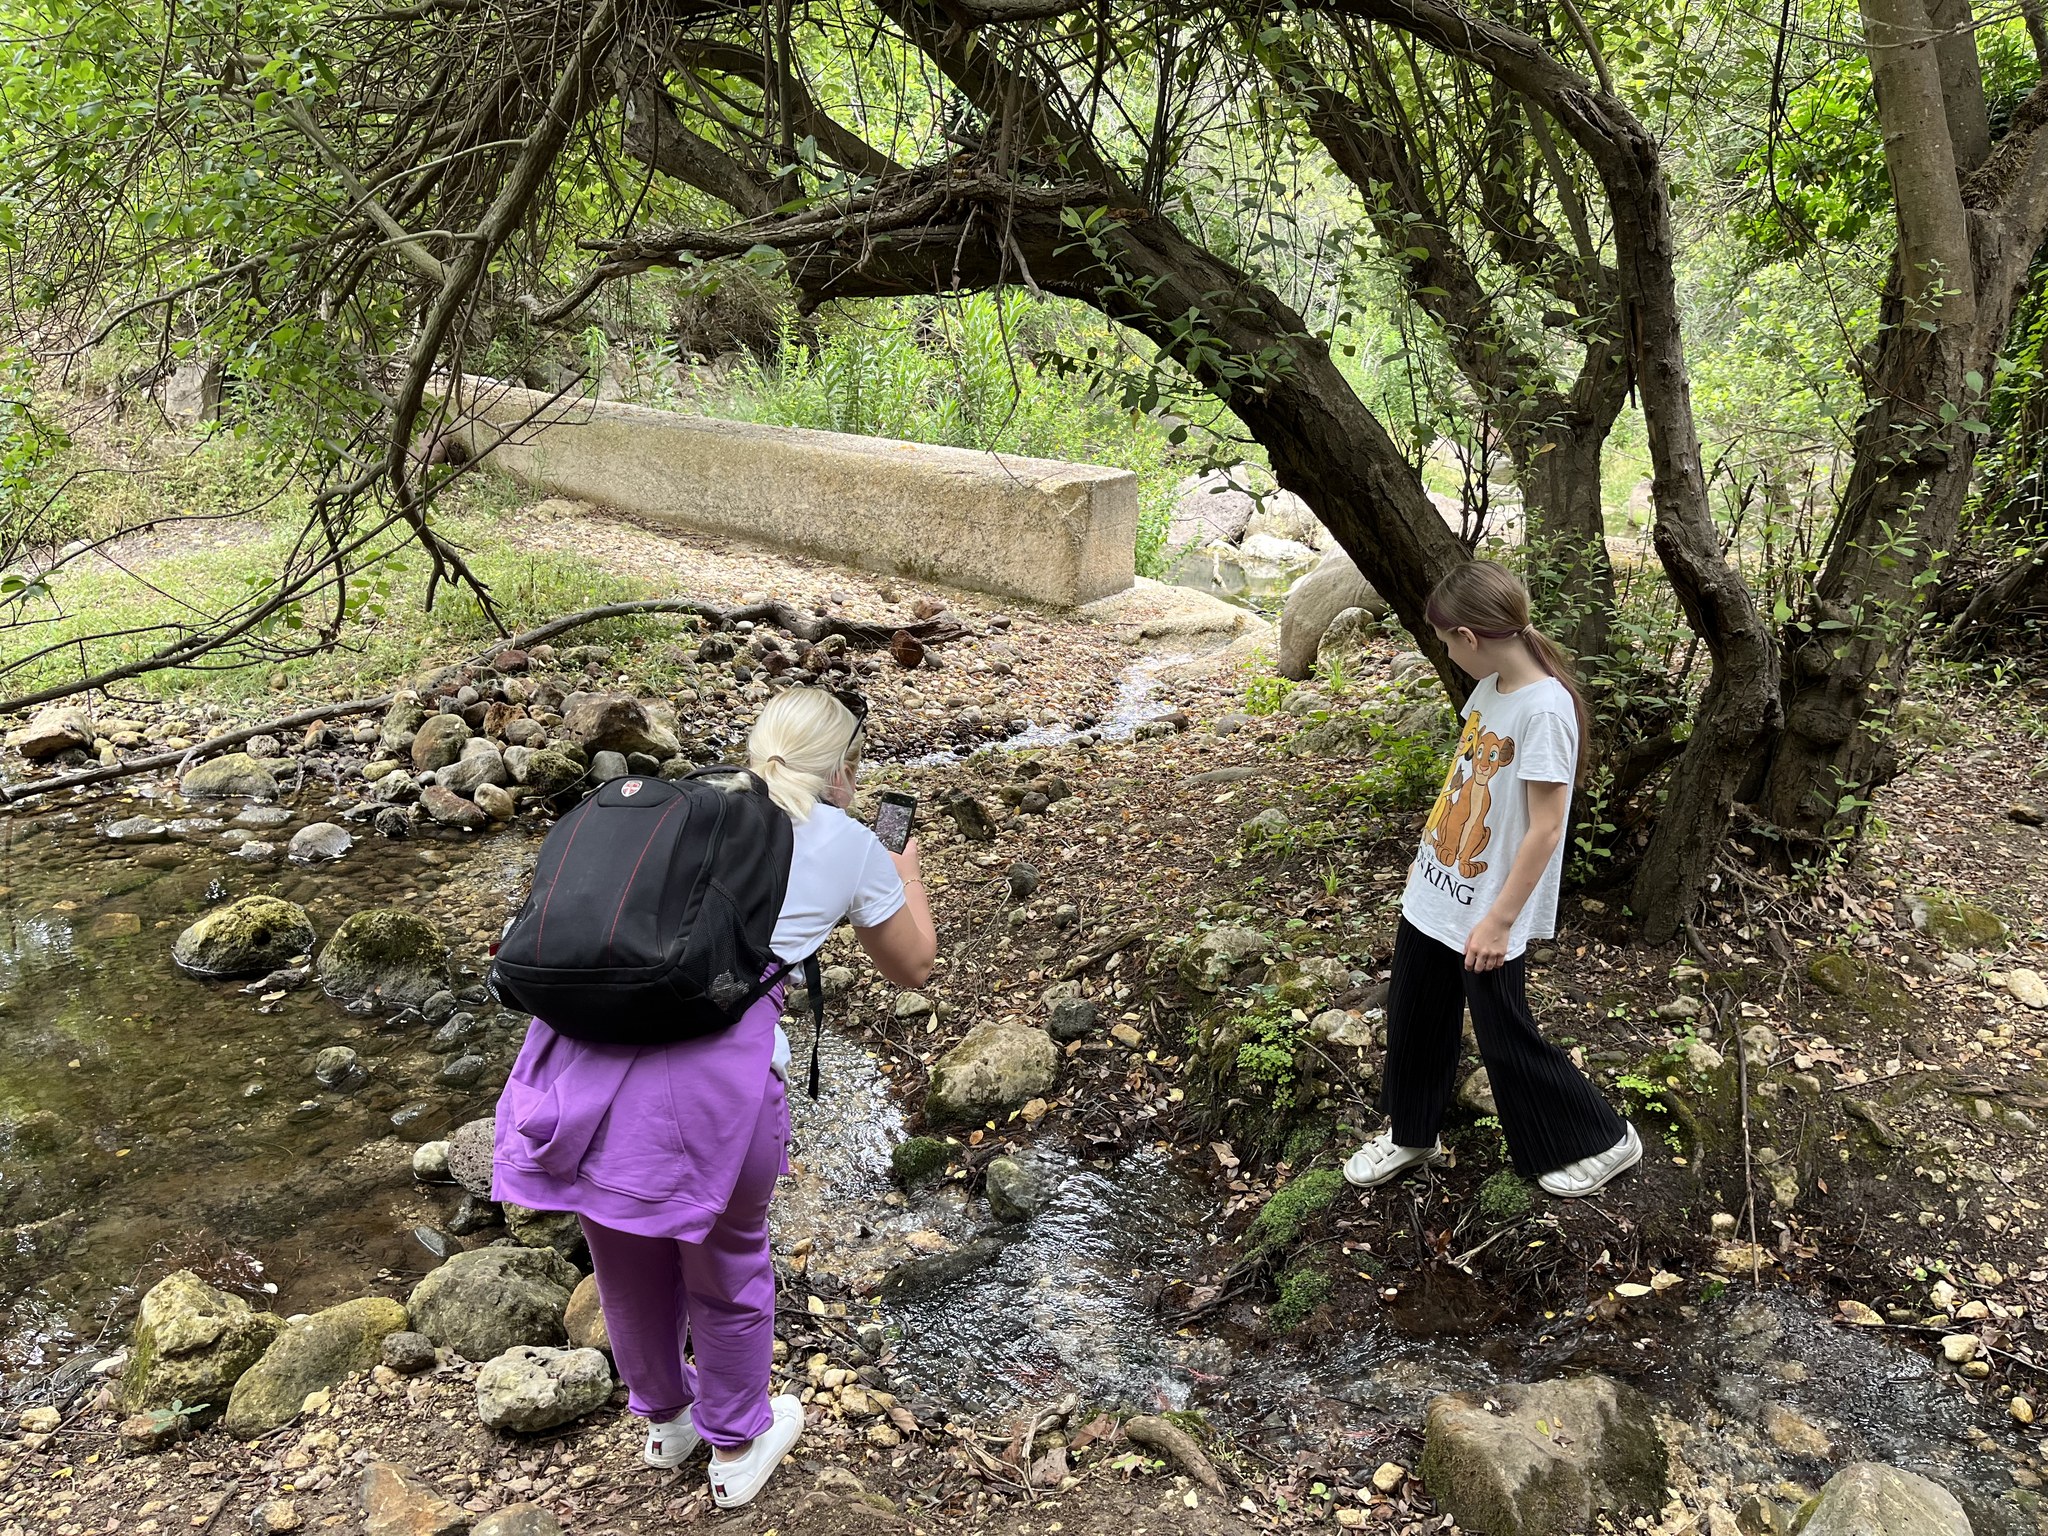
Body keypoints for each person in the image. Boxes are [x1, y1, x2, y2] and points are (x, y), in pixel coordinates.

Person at [491, 687, 936, 1507]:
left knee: (623, 1260)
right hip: (710, 1087)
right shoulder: (848, 841)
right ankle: (737, 1447)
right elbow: (912, 964)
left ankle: (666, 1424)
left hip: (580, 1061)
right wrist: (904, 872)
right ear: (844, 768)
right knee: (727, 1265)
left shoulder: (684, 807)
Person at [1343, 560, 1641, 1199]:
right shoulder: (1490, 689)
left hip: (1488, 907)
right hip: (1437, 889)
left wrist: (1501, 919)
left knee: (1504, 1032)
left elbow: (1545, 827)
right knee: (1415, 1015)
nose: (1449, 653)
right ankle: (1412, 1134)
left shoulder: (1546, 710)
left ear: (1471, 637)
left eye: (1448, 641)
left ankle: (1602, 1137)